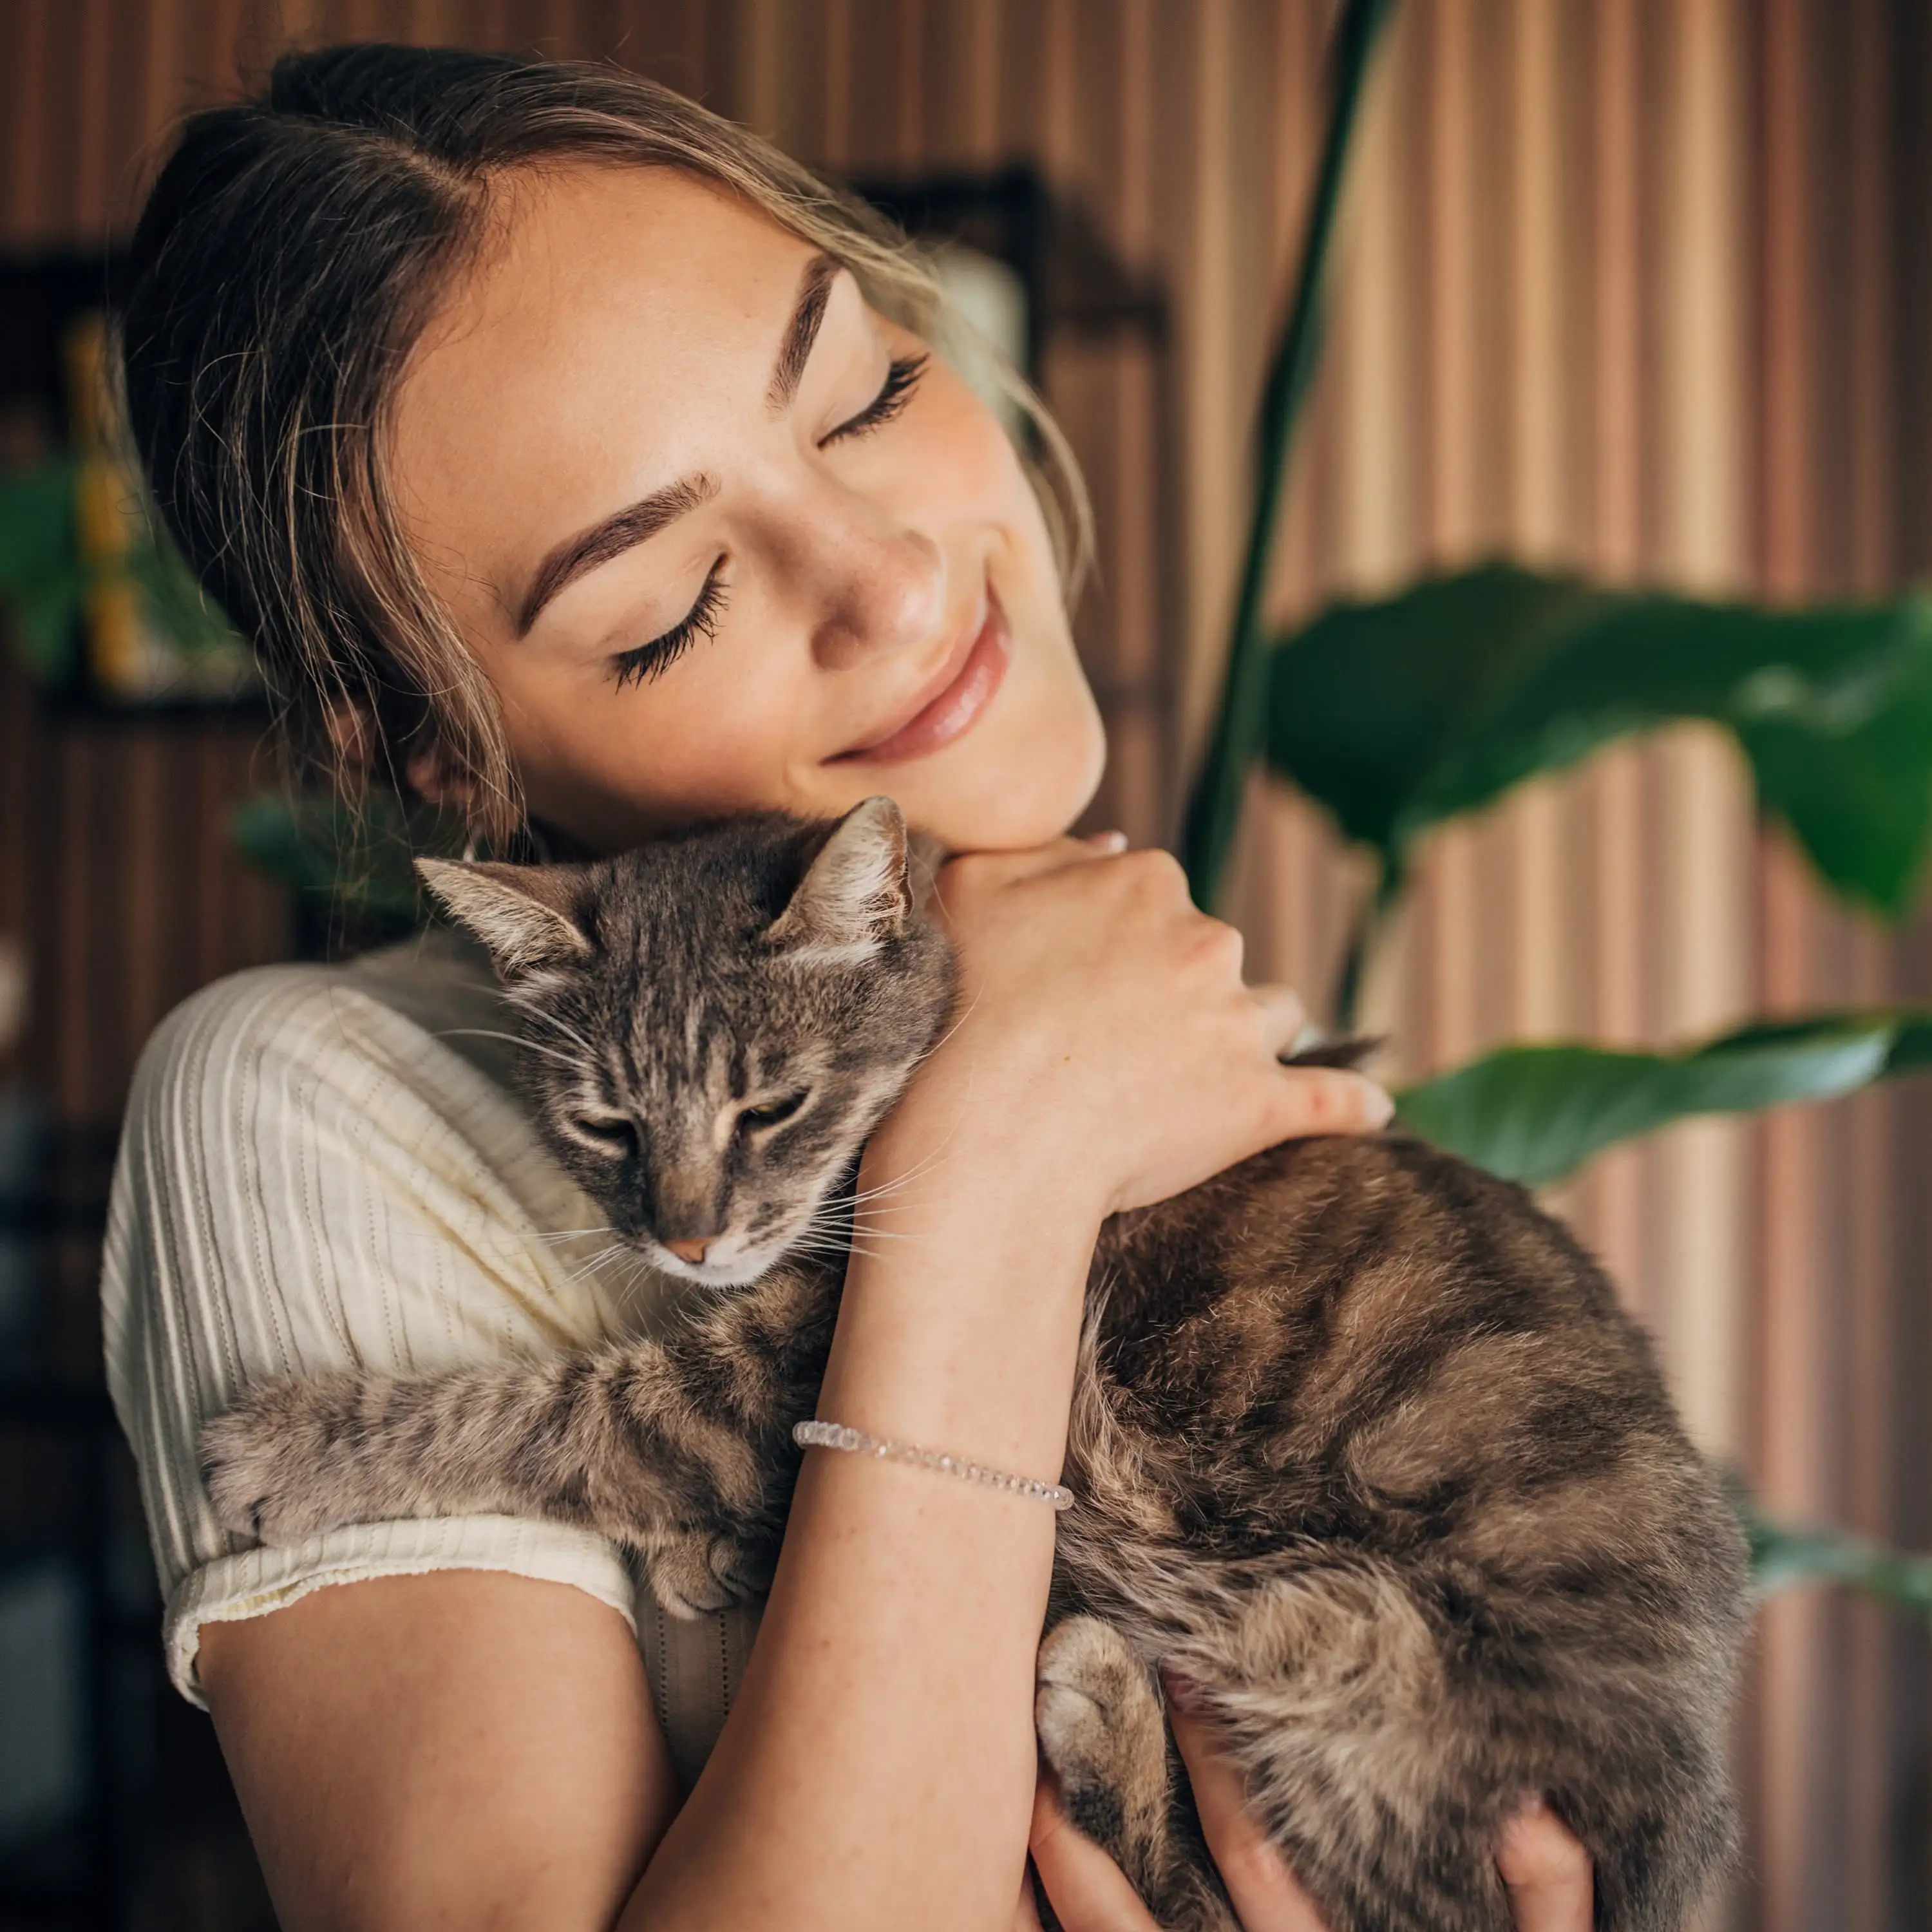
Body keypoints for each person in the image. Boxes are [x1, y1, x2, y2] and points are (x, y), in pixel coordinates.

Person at [102, 44, 1595, 1932]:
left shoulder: (1163, 1029)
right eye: (665, 608)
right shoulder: (310, 1099)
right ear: (426, 747)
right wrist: (995, 1180)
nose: (894, 584)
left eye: (869, 389)